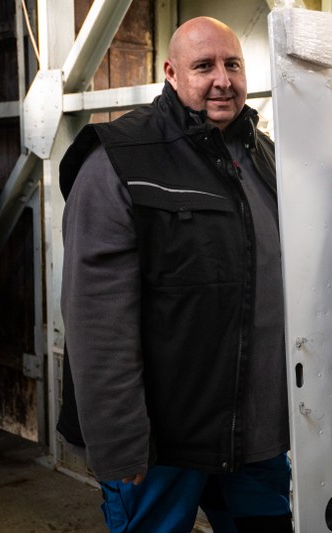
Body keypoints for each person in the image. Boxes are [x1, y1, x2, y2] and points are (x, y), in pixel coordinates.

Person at [57, 17, 291, 532]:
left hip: (252, 433)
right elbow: (97, 322)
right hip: (162, 442)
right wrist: (120, 443)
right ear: (170, 72)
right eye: (203, 66)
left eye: (232, 64)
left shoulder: (267, 159)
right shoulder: (118, 159)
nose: (222, 80)